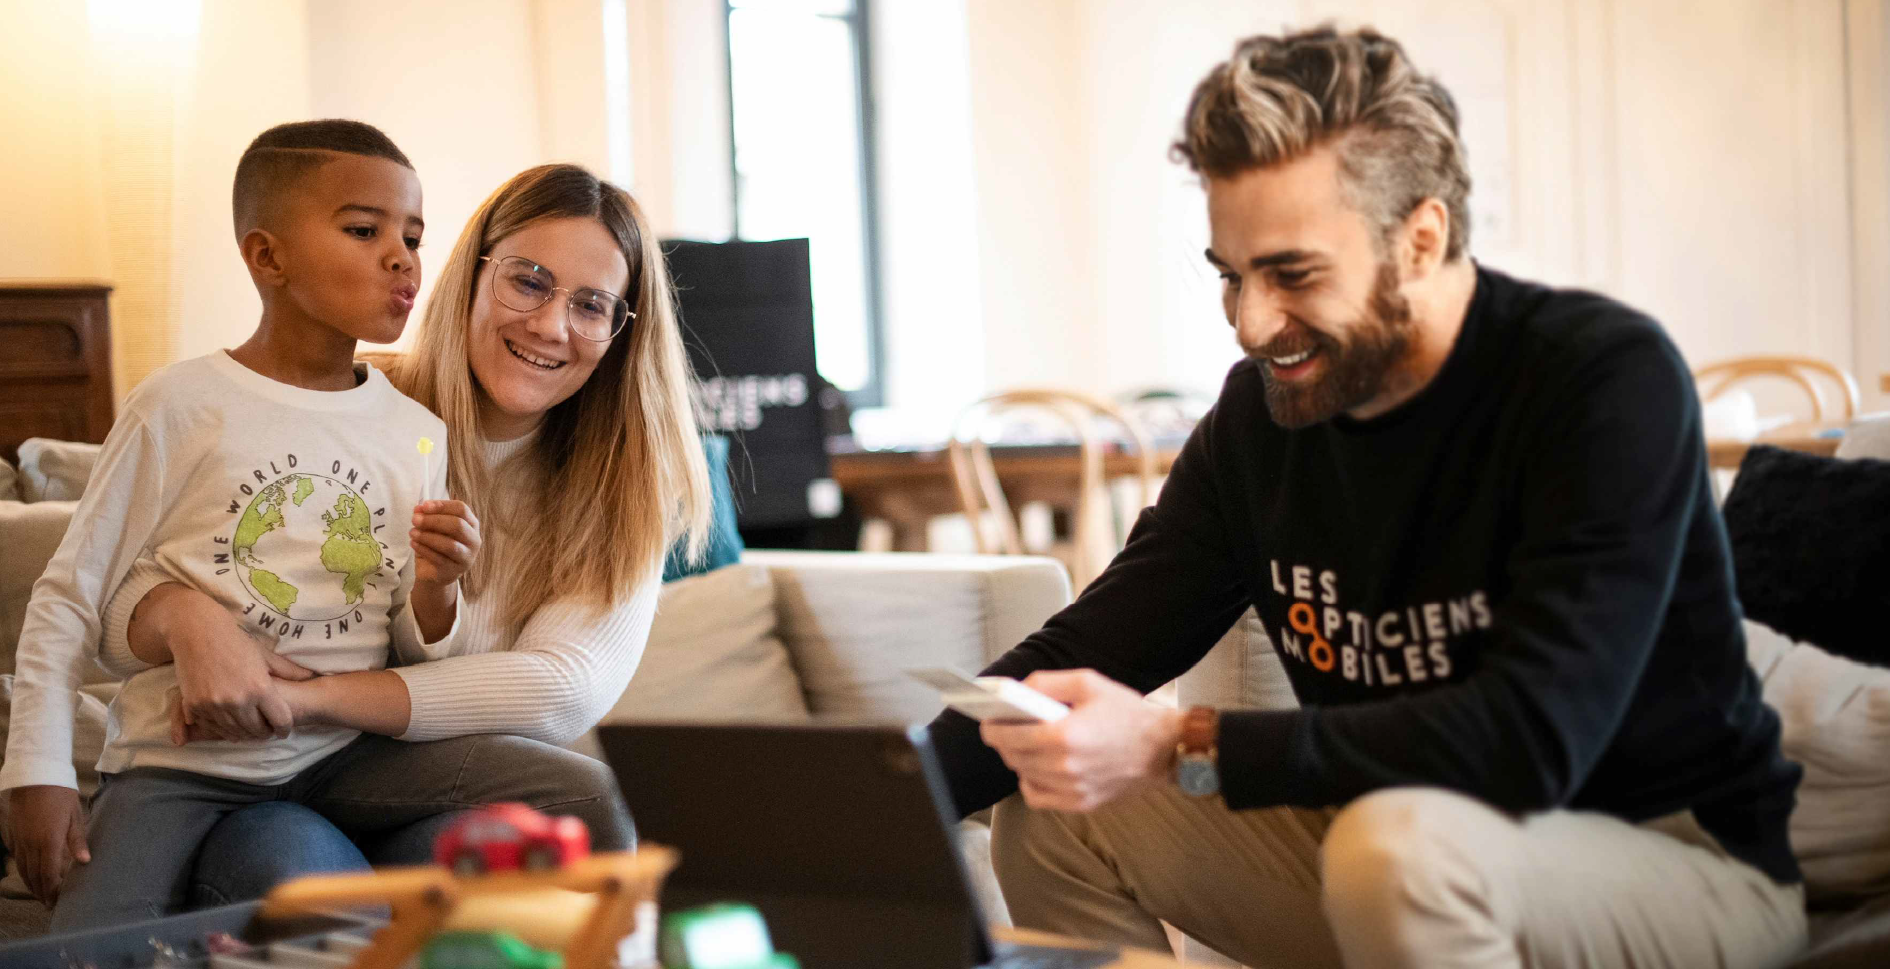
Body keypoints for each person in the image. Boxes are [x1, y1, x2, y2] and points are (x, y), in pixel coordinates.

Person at [926, 26, 1808, 969]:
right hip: (1392, 853)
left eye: (1293, 274)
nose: (1252, 324)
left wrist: (1178, 738)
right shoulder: (1259, 421)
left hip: (1679, 866)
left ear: (1420, 238)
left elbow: (1533, 739)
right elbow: (1096, 642)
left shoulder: (1598, 380)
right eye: (1232, 276)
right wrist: (877, 792)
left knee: (1394, 852)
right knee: (1057, 815)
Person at [110, 162, 712, 912]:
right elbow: (114, 570)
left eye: (591, 305)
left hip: (432, 792)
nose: (552, 325)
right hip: (259, 780)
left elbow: (561, 688)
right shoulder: (349, 404)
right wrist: (186, 615)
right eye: (527, 281)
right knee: (301, 866)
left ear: (622, 333)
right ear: (471, 274)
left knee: (566, 819)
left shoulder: (622, 486)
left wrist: (315, 698)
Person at [0, 119, 483, 927]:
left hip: (344, 758)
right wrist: (38, 770)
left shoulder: (416, 430)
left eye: (413, 234)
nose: (403, 256)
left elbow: (403, 639)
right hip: (176, 764)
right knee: (89, 941)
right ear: (268, 257)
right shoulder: (180, 404)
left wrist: (437, 588)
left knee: (567, 788)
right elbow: (71, 594)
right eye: (365, 229)